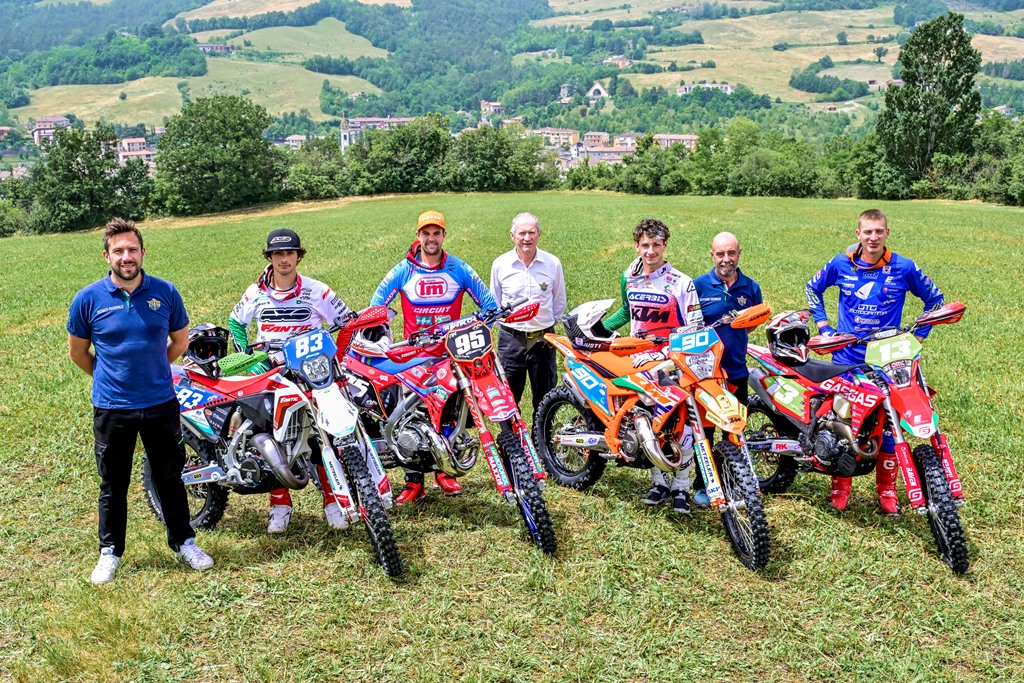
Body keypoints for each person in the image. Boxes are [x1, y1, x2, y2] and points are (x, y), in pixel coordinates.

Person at [67, 218, 214, 584]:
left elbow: (180, 342)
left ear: (143, 252)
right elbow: (78, 353)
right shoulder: (88, 299)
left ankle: (184, 542)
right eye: (118, 251)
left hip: (160, 403)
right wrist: (110, 377)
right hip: (112, 407)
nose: (126, 256)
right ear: (106, 256)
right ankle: (110, 552)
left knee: (170, 477)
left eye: (132, 249)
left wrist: (154, 369)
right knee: (113, 483)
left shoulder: (165, 292)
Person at [806, 208, 944, 515]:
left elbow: (936, 300)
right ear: (858, 234)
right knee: (845, 425)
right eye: (867, 231)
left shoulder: (904, 267)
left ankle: (887, 492)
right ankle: (840, 489)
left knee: (890, 428)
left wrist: (920, 336)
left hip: (888, 361)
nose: (873, 237)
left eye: (879, 231)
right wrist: (825, 328)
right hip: (847, 359)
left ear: (887, 233)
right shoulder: (840, 263)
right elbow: (812, 287)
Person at [229, 228, 355, 534]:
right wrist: (247, 355)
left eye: (289, 253)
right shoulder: (254, 292)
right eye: (277, 254)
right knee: (269, 437)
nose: (284, 259)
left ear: (298, 256)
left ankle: (332, 502)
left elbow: (348, 322)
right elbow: (236, 321)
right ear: (269, 257)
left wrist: (335, 358)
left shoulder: (317, 290)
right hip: (269, 373)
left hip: (310, 372)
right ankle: (280, 505)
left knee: (321, 434)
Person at [371, 210, 499, 504]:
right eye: (426, 233)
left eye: (436, 233)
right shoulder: (403, 270)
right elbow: (376, 307)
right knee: (409, 419)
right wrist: (382, 337)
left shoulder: (459, 268)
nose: (431, 238)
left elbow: (490, 307)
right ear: (418, 236)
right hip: (411, 359)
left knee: (448, 414)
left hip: (449, 357)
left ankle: (446, 473)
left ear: (444, 235)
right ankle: (413, 481)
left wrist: (473, 330)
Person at [591, 219, 703, 514]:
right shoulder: (629, 277)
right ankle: (658, 483)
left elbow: (696, 326)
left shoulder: (681, 282)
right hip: (638, 359)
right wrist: (597, 331)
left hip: (672, 361)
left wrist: (675, 353)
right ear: (636, 246)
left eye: (656, 245)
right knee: (647, 422)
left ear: (665, 245)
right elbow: (626, 313)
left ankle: (681, 487)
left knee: (680, 425)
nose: (650, 251)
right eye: (645, 245)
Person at [692, 232, 763, 506]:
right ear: (712, 255)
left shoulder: (750, 287)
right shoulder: (698, 286)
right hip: (706, 376)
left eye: (731, 253)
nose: (726, 259)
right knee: (706, 432)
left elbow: (752, 323)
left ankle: (733, 481)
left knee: (735, 430)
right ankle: (704, 484)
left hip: (736, 372)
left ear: (739, 253)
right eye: (720, 254)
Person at [489, 212, 566, 412]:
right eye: (522, 233)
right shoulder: (500, 264)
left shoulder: (552, 263)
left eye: (532, 232)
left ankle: (542, 432)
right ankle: (512, 433)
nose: (527, 238)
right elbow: (494, 303)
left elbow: (559, 301)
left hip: (543, 339)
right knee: (508, 398)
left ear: (539, 234)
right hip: (511, 340)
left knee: (545, 397)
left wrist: (543, 324)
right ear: (512, 236)